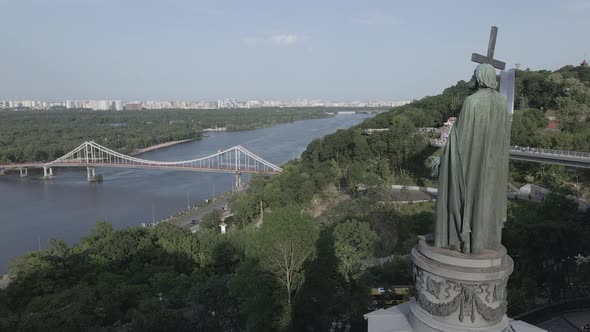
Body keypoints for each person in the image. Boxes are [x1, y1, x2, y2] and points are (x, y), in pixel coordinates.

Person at [434, 64, 510, 254]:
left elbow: (460, 139)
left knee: (468, 197)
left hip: (472, 163)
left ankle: (465, 242)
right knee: (487, 198)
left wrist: (443, 160)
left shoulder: (471, 102)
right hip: (494, 164)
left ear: (479, 77)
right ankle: (483, 242)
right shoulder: (502, 102)